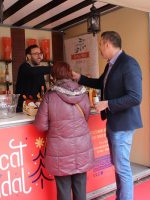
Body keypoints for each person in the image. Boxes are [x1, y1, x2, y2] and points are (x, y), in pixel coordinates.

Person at [73, 31, 142, 200]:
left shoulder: (129, 63)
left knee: (122, 168)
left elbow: (135, 97)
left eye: (100, 45)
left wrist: (108, 104)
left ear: (107, 44)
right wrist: (79, 77)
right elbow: (100, 83)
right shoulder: (110, 64)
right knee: (118, 167)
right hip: (113, 123)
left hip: (123, 125)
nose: (100, 50)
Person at [34, 61, 94, 200]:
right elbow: (86, 117)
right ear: (69, 73)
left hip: (60, 149)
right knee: (80, 187)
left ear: (54, 76)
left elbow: (41, 125)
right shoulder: (83, 93)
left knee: (63, 190)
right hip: (81, 146)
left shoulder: (50, 95)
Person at [15, 44, 51, 112]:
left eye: (40, 54)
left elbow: (42, 89)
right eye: (36, 54)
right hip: (23, 109)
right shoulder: (24, 67)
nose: (39, 56)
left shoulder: (38, 70)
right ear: (28, 56)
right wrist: (55, 68)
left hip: (36, 107)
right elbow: (32, 72)